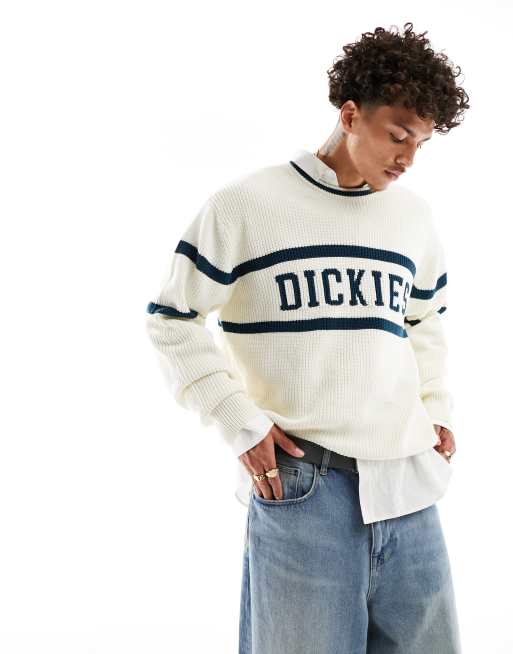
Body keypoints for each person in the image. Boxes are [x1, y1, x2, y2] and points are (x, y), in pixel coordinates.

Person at [145, 21, 469, 654]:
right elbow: (171, 317)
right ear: (350, 115)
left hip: (409, 488)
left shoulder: (412, 218)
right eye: (397, 134)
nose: (407, 158)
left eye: (421, 143)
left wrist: (436, 409)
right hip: (303, 485)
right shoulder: (247, 205)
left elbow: (423, 321)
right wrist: (240, 423)